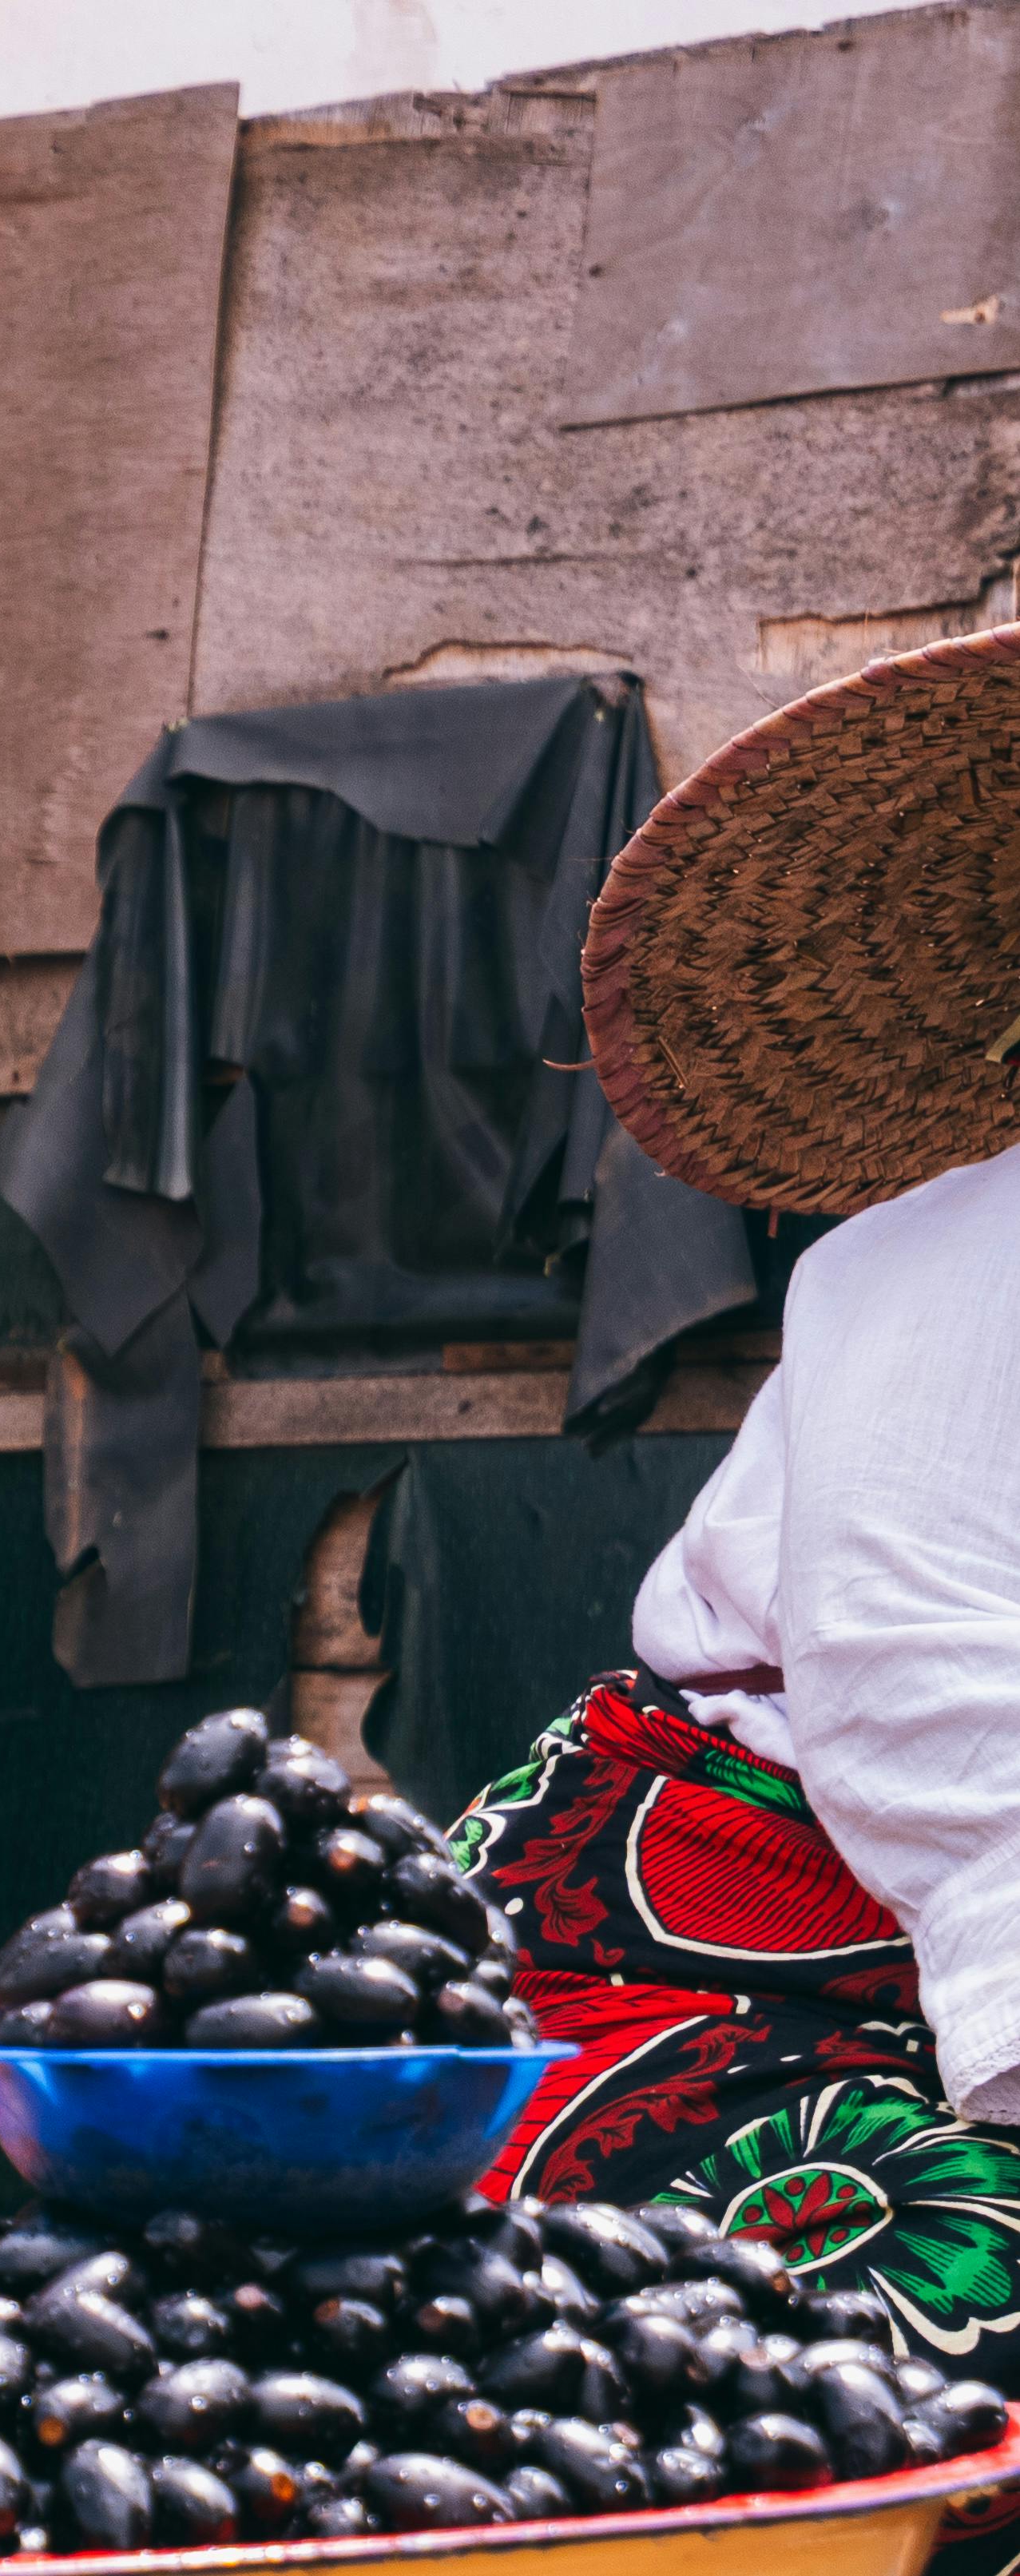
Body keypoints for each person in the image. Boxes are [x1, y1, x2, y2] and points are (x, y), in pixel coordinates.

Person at [451, 619, 1020, 2559]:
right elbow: (924, 1689)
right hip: (715, 1956)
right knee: (896, 2384)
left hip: (934, 1965)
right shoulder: (968, 1253)